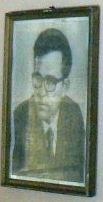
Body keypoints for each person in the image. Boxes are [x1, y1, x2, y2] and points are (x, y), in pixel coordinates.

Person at [11, 28, 85, 183]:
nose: (42, 92)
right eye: (38, 79)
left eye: (50, 81)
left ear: (65, 87)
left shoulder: (74, 114)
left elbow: (76, 175)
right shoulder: (21, 115)